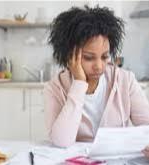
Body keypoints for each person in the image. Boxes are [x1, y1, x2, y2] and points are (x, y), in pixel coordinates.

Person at [44, 5, 149, 158]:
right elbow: (61, 141)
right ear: (69, 56)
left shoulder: (125, 81)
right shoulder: (54, 88)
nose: (99, 66)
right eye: (88, 57)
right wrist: (79, 83)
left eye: (105, 56)